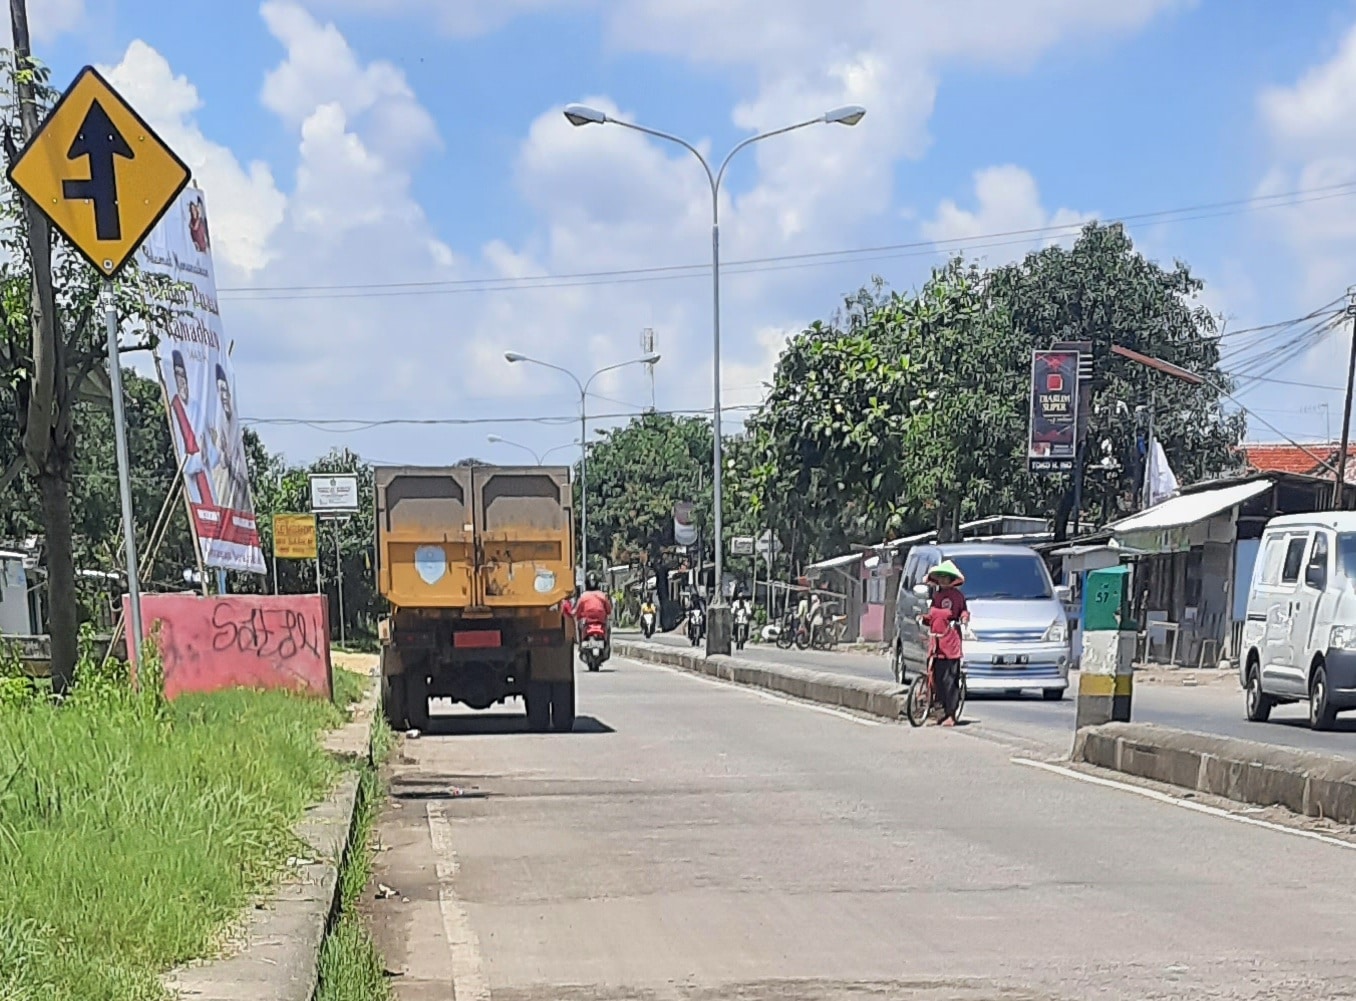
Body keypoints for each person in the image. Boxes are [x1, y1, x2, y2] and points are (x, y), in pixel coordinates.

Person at [924, 560, 968, 727]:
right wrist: (924, 618)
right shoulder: (936, 597)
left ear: (951, 580)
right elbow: (933, 616)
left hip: (950, 642)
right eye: (940, 578)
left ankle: (951, 714)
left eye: (945, 578)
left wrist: (963, 618)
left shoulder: (958, 597)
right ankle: (939, 710)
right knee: (936, 678)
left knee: (950, 680)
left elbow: (963, 611)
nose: (942, 581)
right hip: (936, 641)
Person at [574, 572, 613, 658]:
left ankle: (580, 646)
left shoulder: (583, 596)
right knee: (608, 628)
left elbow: (578, 611)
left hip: (587, 623)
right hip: (601, 622)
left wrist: (578, 616)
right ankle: (607, 646)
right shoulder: (602, 595)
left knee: (579, 627)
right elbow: (609, 610)